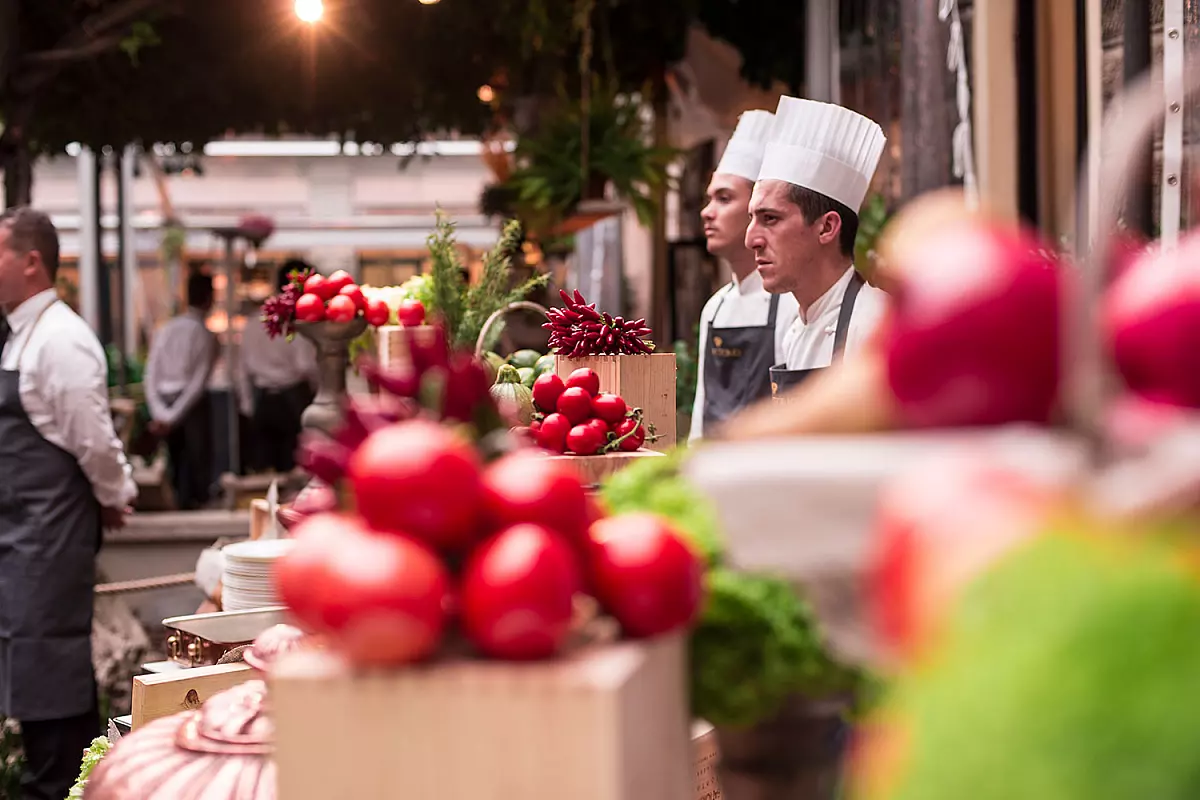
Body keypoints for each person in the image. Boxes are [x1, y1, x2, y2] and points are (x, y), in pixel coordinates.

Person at [0, 207, 136, 800]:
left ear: (31, 262)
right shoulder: (21, 333)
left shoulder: (61, 338)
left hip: (49, 535)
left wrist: (116, 496)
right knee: (41, 672)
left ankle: (56, 785)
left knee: (48, 665)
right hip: (20, 531)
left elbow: (95, 442)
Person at [746, 96, 891, 396]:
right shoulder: (795, 331)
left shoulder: (877, 325)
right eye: (752, 218)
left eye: (770, 218)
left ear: (826, 227)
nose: (751, 240)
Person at [690, 110, 800, 441]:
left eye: (724, 198)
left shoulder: (792, 306)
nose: (707, 212)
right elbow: (701, 412)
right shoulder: (715, 307)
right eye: (709, 199)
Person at [145, 272, 218, 510]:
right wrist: (171, 416)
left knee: (177, 463)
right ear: (209, 298)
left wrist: (161, 413)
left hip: (166, 402)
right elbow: (198, 381)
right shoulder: (203, 334)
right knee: (194, 463)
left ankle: (178, 503)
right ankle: (190, 504)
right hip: (189, 406)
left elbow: (151, 373)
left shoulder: (168, 328)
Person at [238, 261, 318, 473]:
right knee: (295, 467)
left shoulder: (255, 320)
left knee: (265, 470)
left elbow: (242, 368)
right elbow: (305, 365)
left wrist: (247, 407)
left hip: (262, 400)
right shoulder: (298, 323)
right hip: (293, 399)